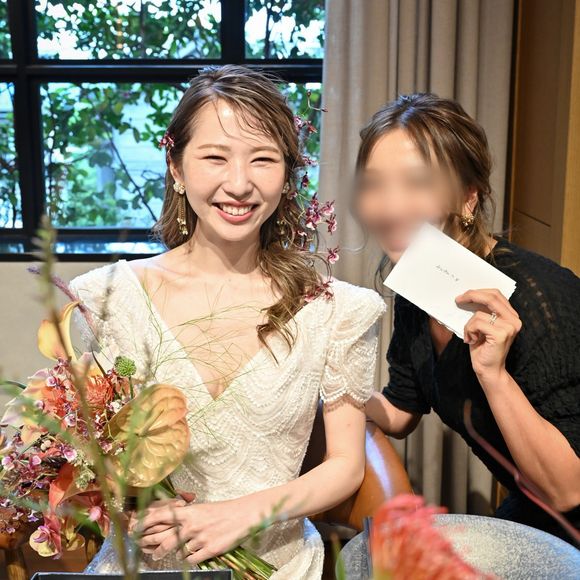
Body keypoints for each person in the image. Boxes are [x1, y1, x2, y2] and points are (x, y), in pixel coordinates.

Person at [68, 65, 386, 577]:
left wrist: (239, 515)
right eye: (215, 157)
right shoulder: (104, 299)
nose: (238, 184)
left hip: (276, 565)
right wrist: (123, 506)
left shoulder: (338, 310)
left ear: (287, 175)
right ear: (176, 167)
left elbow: (346, 466)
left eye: (263, 159)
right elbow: (90, 455)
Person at [359, 93, 580, 542]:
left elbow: (567, 489)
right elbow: (401, 409)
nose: (390, 206)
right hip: (534, 504)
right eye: (375, 184)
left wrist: (493, 374)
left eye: (417, 183)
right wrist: (326, 388)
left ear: (468, 198)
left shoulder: (542, 301)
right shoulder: (420, 280)